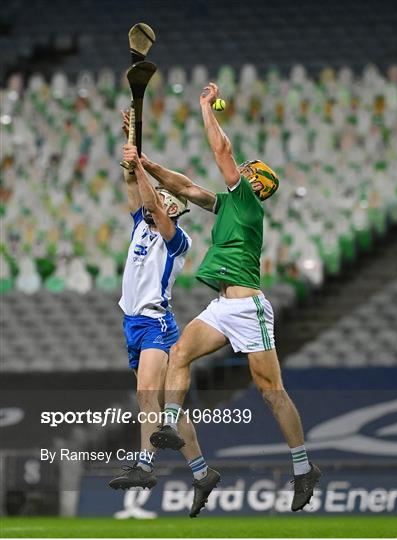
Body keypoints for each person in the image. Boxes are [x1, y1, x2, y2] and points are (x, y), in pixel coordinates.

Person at [124, 82, 321, 512]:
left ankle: (304, 468)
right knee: (178, 352)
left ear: (257, 183)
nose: (241, 171)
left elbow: (222, 153)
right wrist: (146, 163)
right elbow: (186, 186)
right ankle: (171, 424)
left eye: (249, 170)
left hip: (249, 307)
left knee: (271, 392)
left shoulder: (248, 202)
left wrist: (206, 109)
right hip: (223, 306)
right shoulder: (228, 204)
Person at [108, 133, 220, 518]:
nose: (158, 202)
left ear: (173, 209)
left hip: (157, 321)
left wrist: (141, 165)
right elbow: (132, 188)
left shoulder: (178, 240)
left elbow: (150, 199)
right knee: (159, 406)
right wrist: (130, 150)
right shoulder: (141, 223)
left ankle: (144, 466)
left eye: (165, 200)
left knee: (145, 394)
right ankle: (202, 473)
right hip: (132, 323)